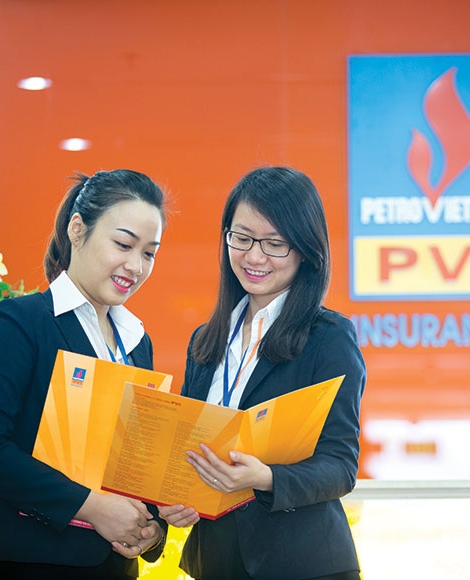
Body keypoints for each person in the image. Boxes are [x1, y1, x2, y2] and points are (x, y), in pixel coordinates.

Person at [0, 169, 199, 580]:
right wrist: (93, 508)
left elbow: (132, 463)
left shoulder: (136, 341)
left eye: (149, 253)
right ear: (77, 229)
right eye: (123, 244)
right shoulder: (24, 321)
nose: (135, 265)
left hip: (115, 568)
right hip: (36, 564)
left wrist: (152, 528)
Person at [171, 166, 366, 580]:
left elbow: (340, 466)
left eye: (275, 244)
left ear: (305, 250)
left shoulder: (328, 337)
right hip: (216, 562)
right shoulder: (205, 341)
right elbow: (189, 448)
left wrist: (267, 478)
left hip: (304, 564)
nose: (254, 257)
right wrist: (172, 497)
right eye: (241, 238)